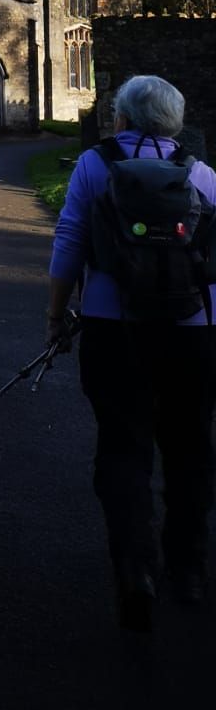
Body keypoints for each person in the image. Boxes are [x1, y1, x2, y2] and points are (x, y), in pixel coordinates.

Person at [47, 73, 216, 630]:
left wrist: (56, 315)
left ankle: (135, 567)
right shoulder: (204, 176)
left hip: (112, 325)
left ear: (120, 118)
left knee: (123, 446)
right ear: (176, 123)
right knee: (190, 446)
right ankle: (188, 569)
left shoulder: (96, 167)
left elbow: (70, 241)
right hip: (193, 333)